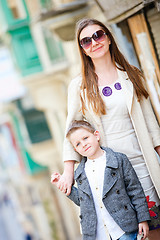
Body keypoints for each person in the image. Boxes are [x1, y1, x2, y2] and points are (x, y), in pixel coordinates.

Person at [57, 18, 160, 239]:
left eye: (98, 35)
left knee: (156, 229)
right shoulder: (79, 86)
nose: (94, 42)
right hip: (112, 174)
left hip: (144, 164)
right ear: (82, 50)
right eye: (86, 41)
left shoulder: (132, 74)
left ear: (109, 37)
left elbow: (152, 125)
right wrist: (68, 172)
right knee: (133, 232)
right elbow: (71, 131)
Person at [51, 120, 150, 240]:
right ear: (75, 150)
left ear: (96, 135)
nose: (83, 144)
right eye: (78, 144)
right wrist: (63, 186)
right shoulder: (80, 173)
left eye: (85, 138)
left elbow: (136, 191)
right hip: (98, 233)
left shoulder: (118, 160)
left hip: (124, 229)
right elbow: (83, 202)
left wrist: (143, 219)